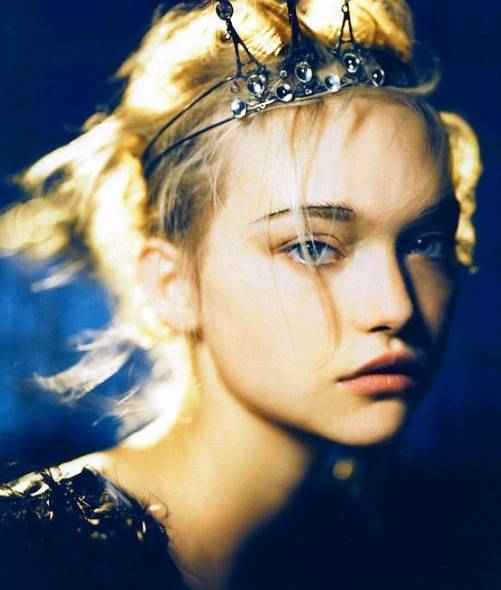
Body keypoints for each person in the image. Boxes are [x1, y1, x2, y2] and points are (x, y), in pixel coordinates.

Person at [0, 0, 482, 589]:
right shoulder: (27, 557)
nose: (396, 307)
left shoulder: (406, 545)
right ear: (173, 283)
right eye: (312, 247)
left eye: (425, 242)